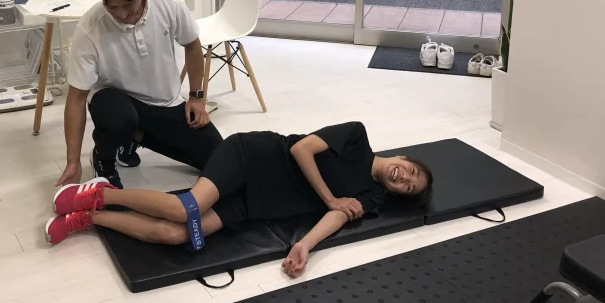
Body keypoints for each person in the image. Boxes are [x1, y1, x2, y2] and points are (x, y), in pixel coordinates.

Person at [46, 121, 433, 278]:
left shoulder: (370, 196)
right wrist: (331, 198)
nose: (405, 179)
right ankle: (101, 192)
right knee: (187, 207)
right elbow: (301, 149)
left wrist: (305, 245)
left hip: (252, 206)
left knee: (175, 234)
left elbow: (338, 218)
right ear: (403, 158)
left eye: (409, 187)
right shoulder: (356, 137)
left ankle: (89, 218)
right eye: (411, 170)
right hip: (253, 158)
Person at [57, 0, 223, 189]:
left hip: (165, 102)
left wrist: (197, 98)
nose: (122, 14)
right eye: (112, 7)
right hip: (116, 101)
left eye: (128, 5)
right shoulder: (89, 28)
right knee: (117, 118)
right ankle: (104, 159)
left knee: (217, 157)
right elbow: (77, 97)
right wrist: (72, 162)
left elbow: (192, 44)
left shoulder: (169, 4)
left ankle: (135, 137)